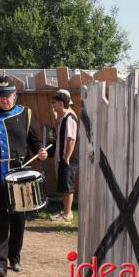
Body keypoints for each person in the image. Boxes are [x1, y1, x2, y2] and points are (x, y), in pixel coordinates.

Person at [0, 75, 47, 277]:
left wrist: (40, 150)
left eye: (9, 96)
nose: (5, 100)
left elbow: (35, 141)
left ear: (16, 95)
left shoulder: (26, 114)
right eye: (1, 96)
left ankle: (15, 258)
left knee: (18, 221)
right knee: (0, 221)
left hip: (21, 176)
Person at [50, 89, 78, 223]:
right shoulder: (63, 117)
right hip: (63, 157)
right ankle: (65, 211)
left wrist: (66, 157)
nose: (52, 105)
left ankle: (67, 214)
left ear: (61, 103)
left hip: (68, 159)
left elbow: (71, 139)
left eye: (54, 103)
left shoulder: (70, 117)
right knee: (63, 185)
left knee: (68, 187)